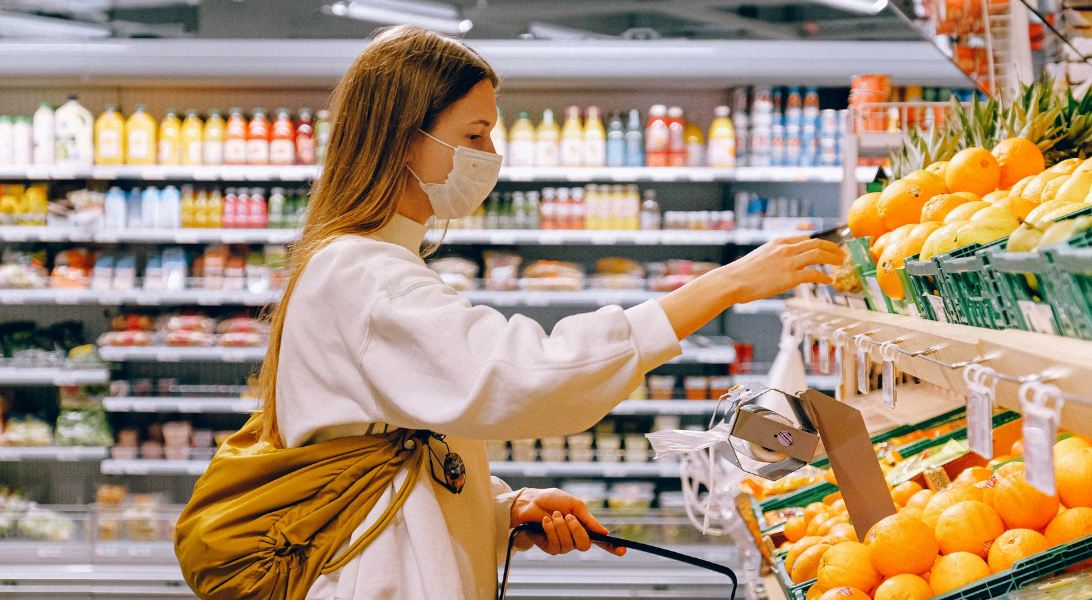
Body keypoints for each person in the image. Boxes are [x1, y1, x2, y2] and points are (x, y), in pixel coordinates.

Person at [252, 25, 845, 600]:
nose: (492, 155)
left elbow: (395, 454)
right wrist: (724, 284)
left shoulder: (368, 264)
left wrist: (499, 509)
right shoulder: (362, 275)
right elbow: (523, 373)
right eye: (476, 134)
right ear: (406, 137)